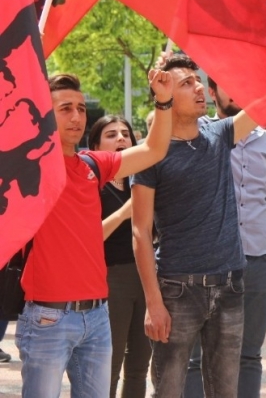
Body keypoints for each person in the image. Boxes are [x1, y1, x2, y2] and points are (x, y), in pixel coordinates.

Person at [131, 5, 266, 396]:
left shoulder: (220, 134)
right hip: (176, 289)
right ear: (164, 93)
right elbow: (140, 230)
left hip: (231, 284)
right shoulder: (150, 153)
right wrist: (153, 301)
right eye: (186, 83)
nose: (199, 87)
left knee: (226, 390)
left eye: (198, 81)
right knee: (168, 389)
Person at [15, 70, 172, 398]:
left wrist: (163, 100)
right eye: (65, 109)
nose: (76, 116)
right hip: (47, 318)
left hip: (98, 318)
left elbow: (155, 150)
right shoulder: (28, 165)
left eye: (81, 108)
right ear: (45, 114)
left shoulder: (93, 165)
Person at [182, 77, 266, 398]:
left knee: (249, 353)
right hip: (210, 261)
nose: (240, 91)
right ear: (213, 93)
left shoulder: (264, 140)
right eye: (230, 83)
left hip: (257, 261)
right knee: (197, 356)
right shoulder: (199, 135)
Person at [88, 115, 151, 398]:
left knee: (139, 364)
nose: (121, 139)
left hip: (148, 275)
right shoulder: (91, 185)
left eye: (125, 133)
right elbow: (90, 238)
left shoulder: (142, 180)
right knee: (108, 364)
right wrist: (125, 212)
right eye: (111, 134)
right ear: (96, 144)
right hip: (111, 278)